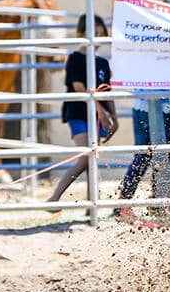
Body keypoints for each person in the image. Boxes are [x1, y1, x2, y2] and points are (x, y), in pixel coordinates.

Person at [47, 14, 118, 204]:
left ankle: (91, 202)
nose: (97, 38)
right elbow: (78, 88)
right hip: (78, 113)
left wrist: (114, 117)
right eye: (94, 33)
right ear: (81, 34)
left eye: (101, 34)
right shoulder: (75, 59)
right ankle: (55, 197)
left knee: (91, 159)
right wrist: (102, 110)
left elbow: (107, 91)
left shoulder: (102, 63)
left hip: (97, 116)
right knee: (86, 157)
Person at [113, 95, 170, 216]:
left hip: (143, 105)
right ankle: (156, 202)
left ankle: (125, 200)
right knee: (158, 157)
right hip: (159, 107)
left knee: (143, 158)